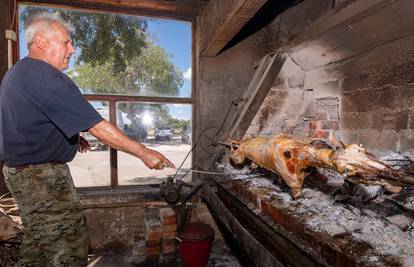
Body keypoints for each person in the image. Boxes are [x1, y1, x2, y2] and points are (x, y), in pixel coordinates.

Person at [0, 12, 175, 266]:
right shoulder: (44, 76)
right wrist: (144, 152)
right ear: (41, 42)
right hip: (41, 179)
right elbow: (98, 126)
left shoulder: (19, 73)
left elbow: (29, 125)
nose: (72, 49)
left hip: (21, 174)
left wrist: (70, 138)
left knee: (38, 244)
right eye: (66, 42)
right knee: (69, 249)